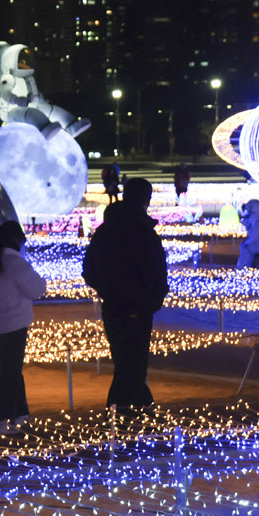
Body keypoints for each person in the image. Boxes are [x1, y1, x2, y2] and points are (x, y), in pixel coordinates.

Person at [82, 175, 168, 417]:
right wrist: (153, 298)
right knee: (133, 362)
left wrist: (107, 289)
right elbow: (155, 270)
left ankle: (135, 410)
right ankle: (123, 412)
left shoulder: (105, 231)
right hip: (139, 305)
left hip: (113, 304)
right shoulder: (143, 232)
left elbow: (89, 269)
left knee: (124, 359)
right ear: (146, 200)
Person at [0, 220, 47, 433]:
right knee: (10, 372)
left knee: (8, 370)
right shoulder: (16, 264)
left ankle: (20, 412)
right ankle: (1, 419)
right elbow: (37, 289)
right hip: (15, 323)